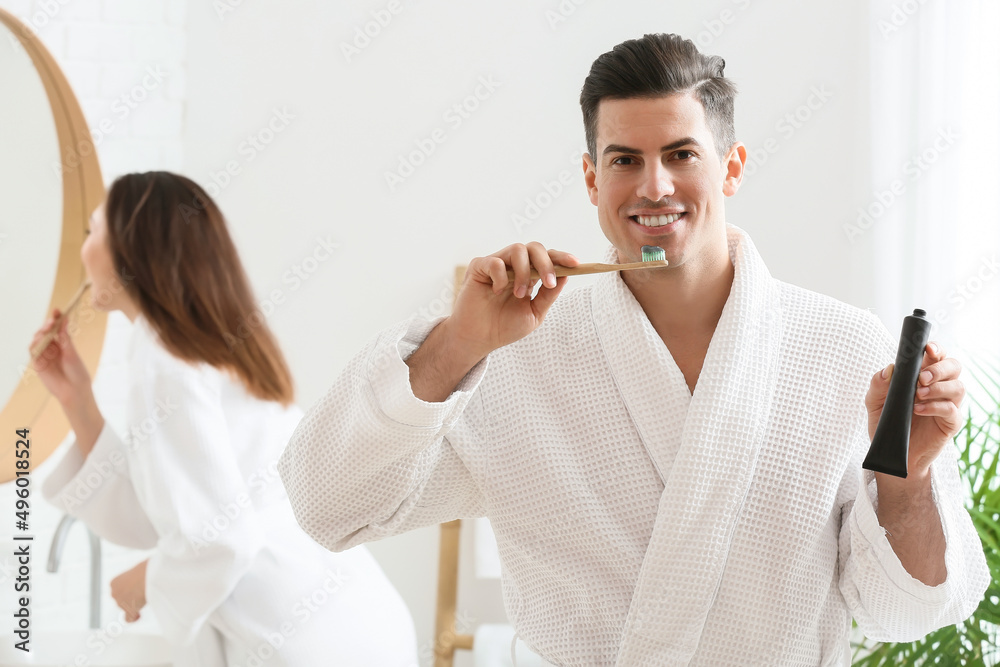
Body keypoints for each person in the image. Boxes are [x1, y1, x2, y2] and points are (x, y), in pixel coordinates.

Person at [277, 34, 988, 666]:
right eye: (625, 159)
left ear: (731, 167)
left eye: (681, 154)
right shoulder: (512, 356)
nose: (654, 186)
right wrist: (458, 341)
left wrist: (908, 477)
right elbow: (328, 505)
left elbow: (907, 610)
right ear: (592, 179)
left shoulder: (844, 347)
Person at [33, 172, 418, 666]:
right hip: (356, 625)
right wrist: (77, 400)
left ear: (132, 248)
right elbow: (172, 515)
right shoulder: (205, 351)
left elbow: (218, 539)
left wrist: (147, 582)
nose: (83, 250)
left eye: (93, 231)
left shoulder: (161, 359)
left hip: (306, 639)